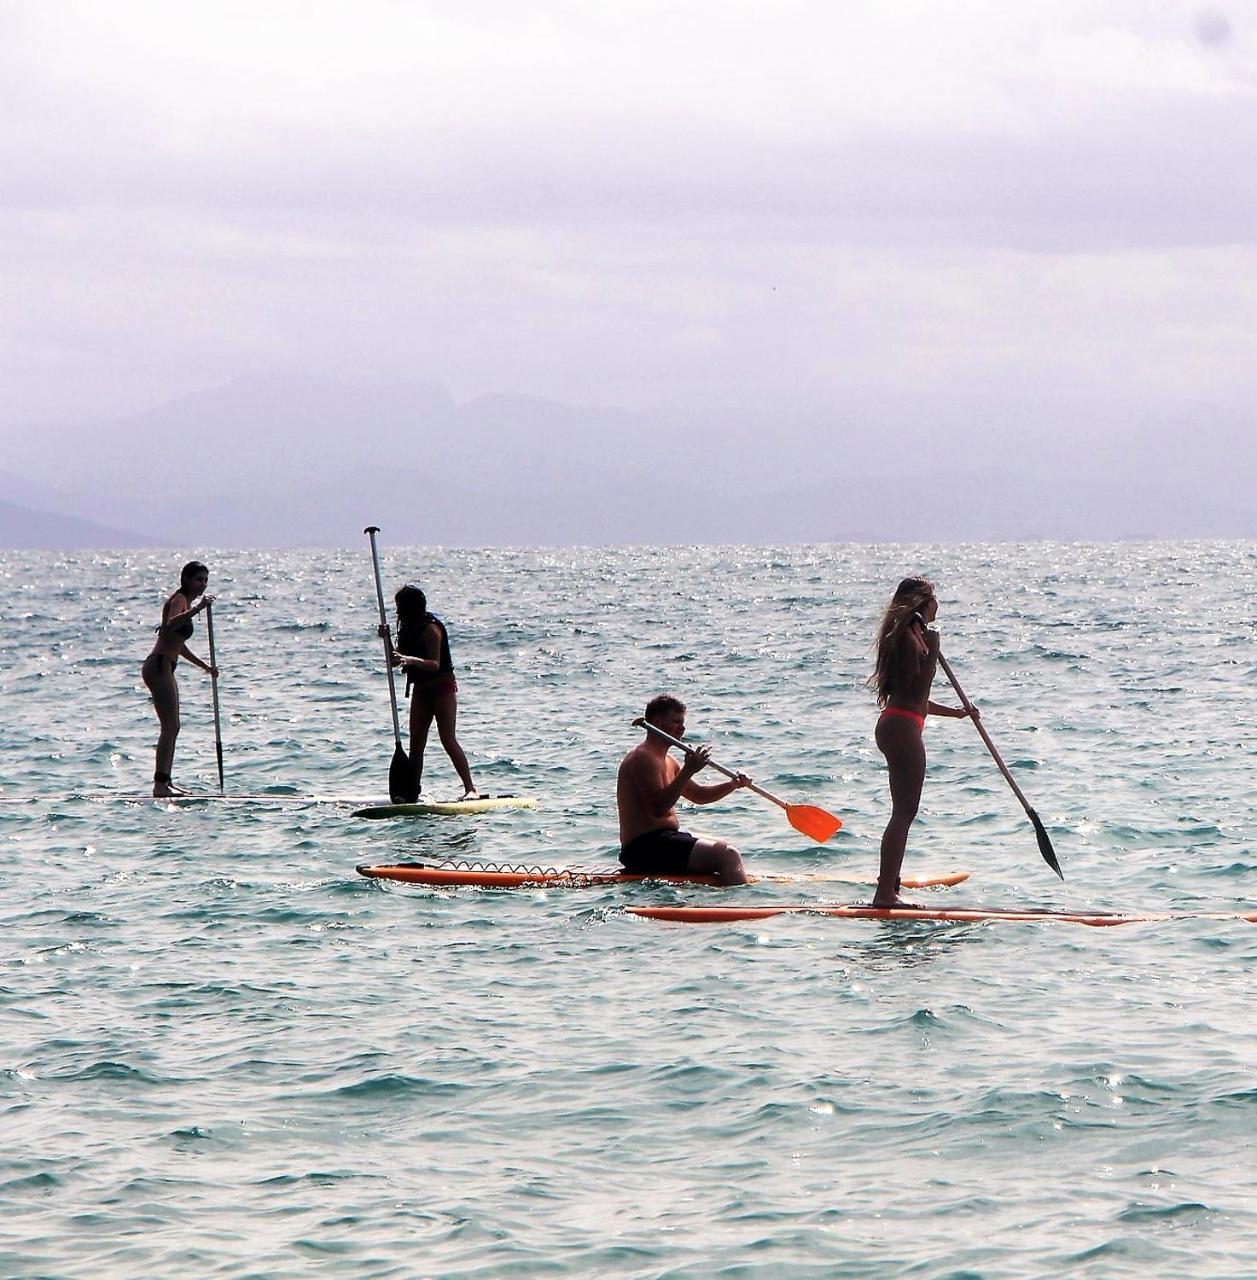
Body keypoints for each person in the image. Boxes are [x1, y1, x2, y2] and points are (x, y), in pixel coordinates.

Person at [869, 576, 977, 907]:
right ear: (923, 601)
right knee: (904, 811)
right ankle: (885, 892)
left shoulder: (913, 635)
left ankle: (890, 885)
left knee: (904, 810)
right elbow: (916, 691)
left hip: (903, 722)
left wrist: (957, 713)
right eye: (935, 598)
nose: (938, 604)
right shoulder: (906, 638)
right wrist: (935, 652)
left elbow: (917, 700)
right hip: (900, 729)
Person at [616, 694, 751, 885]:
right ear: (657, 722)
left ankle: (728, 887)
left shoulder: (669, 760)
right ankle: (741, 905)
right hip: (644, 849)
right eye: (676, 721)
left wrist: (734, 784)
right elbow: (658, 808)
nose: (682, 728)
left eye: (683, 722)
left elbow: (699, 795)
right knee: (728, 856)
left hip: (665, 842)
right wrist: (688, 770)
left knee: (725, 847)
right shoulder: (642, 758)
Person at [381, 585, 478, 799]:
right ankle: (411, 793)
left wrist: (411, 660)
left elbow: (434, 664)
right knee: (416, 744)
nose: (397, 612)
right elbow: (394, 661)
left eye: (400, 607)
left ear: (410, 607)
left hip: (442, 689)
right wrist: (386, 638)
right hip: (422, 691)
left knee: (447, 739)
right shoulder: (409, 629)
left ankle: (470, 788)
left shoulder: (431, 629)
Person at [141, 560, 218, 797]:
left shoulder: (185, 603)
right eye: (198, 579)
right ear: (186, 580)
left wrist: (205, 666)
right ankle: (160, 785)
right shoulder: (179, 600)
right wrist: (198, 609)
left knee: (173, 727)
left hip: (166, 664)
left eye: (205, 580)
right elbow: (171, 623)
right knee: (170, 726)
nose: (202, 585)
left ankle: (166, 782)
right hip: (159, 666)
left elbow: (178, 645)